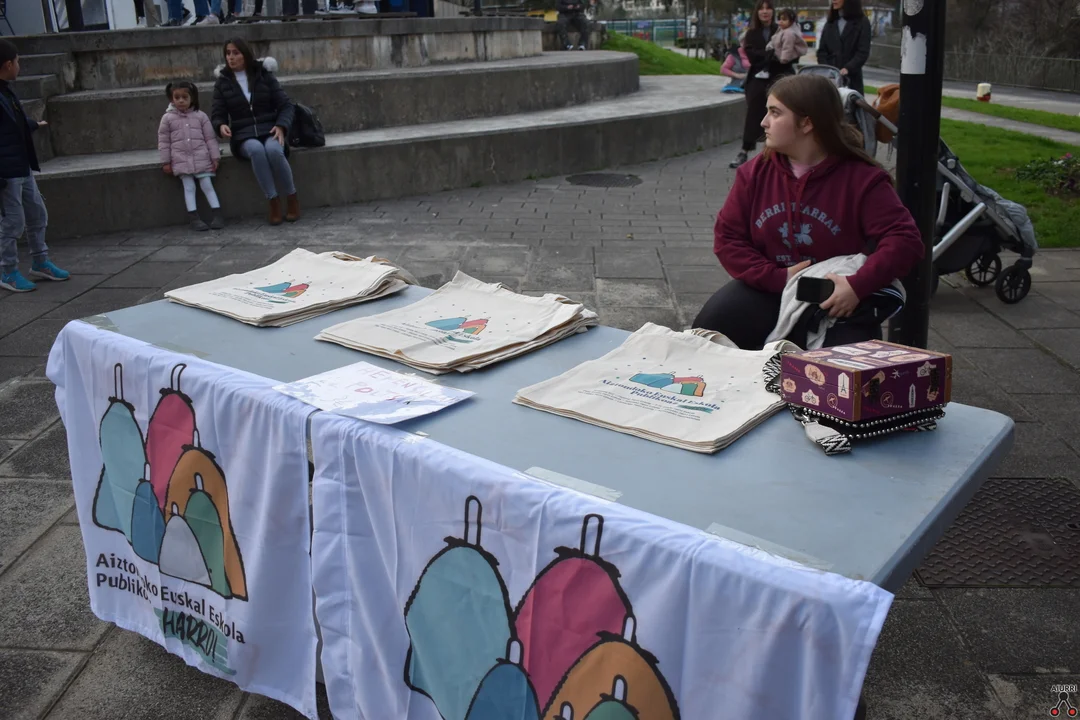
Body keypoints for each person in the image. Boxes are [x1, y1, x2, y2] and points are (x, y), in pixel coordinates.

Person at [694, 74, 924, 350]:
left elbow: (905, 240)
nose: (763, 122)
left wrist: (857, 285)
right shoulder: (754, 173)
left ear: (807, 123)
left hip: (836, 298)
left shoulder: (863, 180)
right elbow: (728, 238)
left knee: (842, 367)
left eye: (775, 113)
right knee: (708, 332)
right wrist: (777, 277)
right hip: (772, 287)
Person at [0, 40, 69, 294]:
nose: (20, 66)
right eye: (18, 62)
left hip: (22, 166)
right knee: (13, 222)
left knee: (37, 213)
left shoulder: (6, 91)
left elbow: (14, 123)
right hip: (7, 172)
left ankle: (40, 261)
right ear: (8, 65)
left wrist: (33, 125)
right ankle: (7, 270)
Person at [211, 39, 299, 225]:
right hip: (243, 134)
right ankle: (273, 201)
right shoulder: (222, 82)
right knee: (257, 150)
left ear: (245, 54)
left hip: (270, 128)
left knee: (273, 150)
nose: (231, 57)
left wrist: (281, 126)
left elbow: (286, 105)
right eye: (228, 53)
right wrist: (220, 125)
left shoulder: (264, 74)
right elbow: (217, 113)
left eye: (236, 53)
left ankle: (292, 198)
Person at [730, 0, 796, 169]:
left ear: (773, 11)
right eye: (761, 9)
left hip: (780, 74)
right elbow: (752, 56)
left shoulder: (781, 29)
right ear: (757, 12)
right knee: (754, 108)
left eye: (768, 8)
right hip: (758, 76)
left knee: (782, 110)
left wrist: (769, 55)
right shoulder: (752, 33)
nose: (765, 12)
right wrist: (771, 54)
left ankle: (781, 151)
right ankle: (745, 149)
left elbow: (789, 52)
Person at [158, 81, 224, 231]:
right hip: (181, 160)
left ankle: (217, 214)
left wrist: (215, 157)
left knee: (207, 185)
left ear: (192, 98)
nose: (181, 101)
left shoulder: (201, 116)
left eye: (185, 97)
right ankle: (194, 217)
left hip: (201, 158)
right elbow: (164, 141)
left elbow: (210, 138)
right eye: (177, 97)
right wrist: (165, 161)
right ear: (172, 99)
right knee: (189, 187)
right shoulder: (167, 118)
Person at [816, 0, 872, 95]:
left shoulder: (862, 22)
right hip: (830, 80)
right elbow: (822, 51)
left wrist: (848, 68)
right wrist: (827, 69)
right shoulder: (830, 23)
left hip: (852, 80)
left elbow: (863, 52)